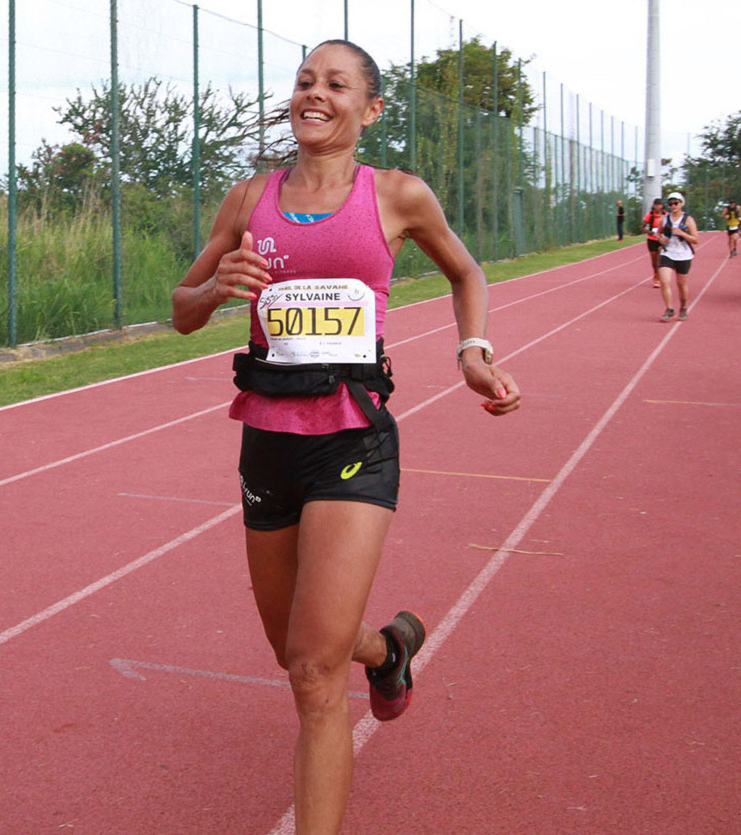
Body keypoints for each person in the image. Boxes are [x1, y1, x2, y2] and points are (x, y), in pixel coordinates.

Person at [171, 39, 520, 834]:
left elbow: (466, 272)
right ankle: (388, 647)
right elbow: (181, 308)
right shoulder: (248, 197)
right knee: (297, 646)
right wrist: (215, 288)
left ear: (370, 109)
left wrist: (472, 351)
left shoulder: (397, 194)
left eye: (335, 83)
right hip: (266, 440)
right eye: (303, 82)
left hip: (354, 439)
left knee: (311, 673)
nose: (313, 94)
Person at [657, 192, 699, 322]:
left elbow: (696, 240)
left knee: (681, 284)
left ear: (681, 203)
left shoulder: (688, 220)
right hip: (668, 253)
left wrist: (682, 233)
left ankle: (684, 307)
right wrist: (661, 239)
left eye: (676, 203)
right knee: (664, 281)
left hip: (683, 255)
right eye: (670, 203)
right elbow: (658, 234)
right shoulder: (664, 219)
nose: (673, 205)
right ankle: (669, 309)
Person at [642, 197, 666, 288]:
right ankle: (656, 273)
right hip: (652, 239)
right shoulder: (650, 215)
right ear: (653, 205)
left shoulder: (666, 215)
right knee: (654, 260)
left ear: (662, 206)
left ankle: (659, 278)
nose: (657, 207)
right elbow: (643, 227)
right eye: (656, 205)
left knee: (660, 257)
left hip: (661, 239)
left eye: (659, 205)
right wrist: (649, 232)